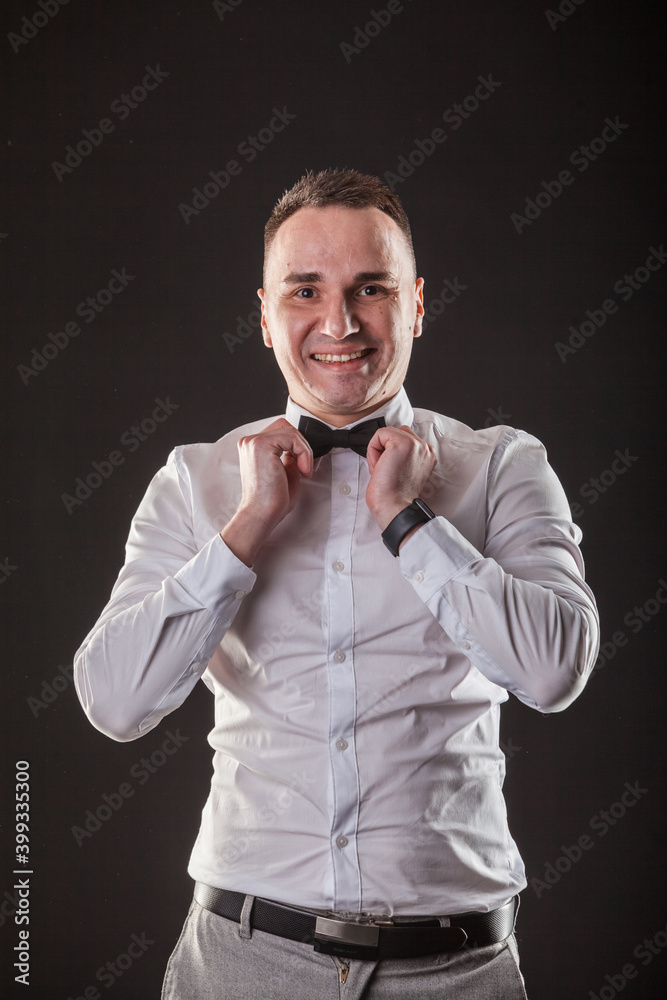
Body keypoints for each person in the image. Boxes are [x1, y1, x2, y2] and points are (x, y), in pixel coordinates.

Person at [74, 168, 600, 999]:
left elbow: (553, 673)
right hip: (241, 963)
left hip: (457, 972)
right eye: (305, 290)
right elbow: (113, 701)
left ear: (415, 304)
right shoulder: (192, 482)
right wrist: (245, 528)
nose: (339, 322)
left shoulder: (503, 467)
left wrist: (409, 522)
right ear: (264, 316)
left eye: (371, 289)